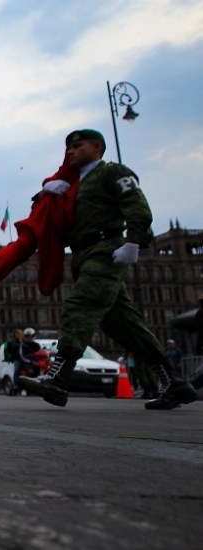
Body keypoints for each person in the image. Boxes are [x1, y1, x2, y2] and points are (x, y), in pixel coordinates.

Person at [19, 129, 196, 410]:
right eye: (69, 148)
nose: (71, 152)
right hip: (85, 255)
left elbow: (136, 205)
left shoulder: (112, 172)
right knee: (125, 326)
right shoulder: (75, 183)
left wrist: (134, 242)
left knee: (80, 306)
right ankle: (174, 382)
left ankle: (57, 377)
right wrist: (46, 195)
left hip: (106, 253)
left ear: (97, 147)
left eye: (77, 146)